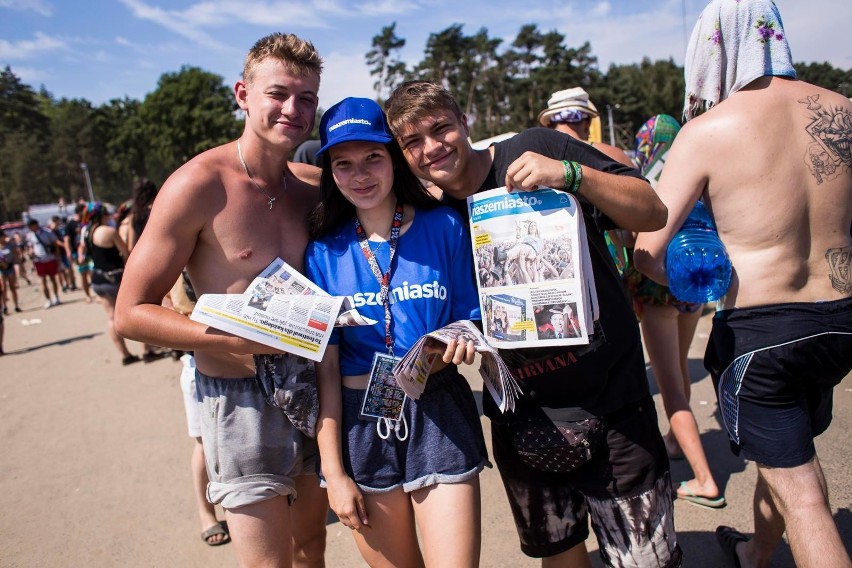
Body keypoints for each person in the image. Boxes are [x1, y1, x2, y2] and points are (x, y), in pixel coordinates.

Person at [386, 81, 678, 568]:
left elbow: (653, 210)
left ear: (464, 123)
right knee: (560, 557)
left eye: (440, 129)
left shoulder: (535, 148)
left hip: (614, 403)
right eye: (413, 142)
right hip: (525, 417)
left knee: (647, 561)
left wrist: (570, 174)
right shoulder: (432, 215)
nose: (431, 147)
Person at [632, 1, 852, 567]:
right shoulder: (844, 111)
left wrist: (702, 287)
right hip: (841, 319)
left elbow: (649, 251)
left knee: (803, 497)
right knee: (786, 457)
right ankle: (756, 552)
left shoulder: (707, 131)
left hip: (765, 330)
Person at [114, 32, 328, 568]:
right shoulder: (198, 184)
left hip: (312, 388)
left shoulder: (314, 188)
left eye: (306, 98)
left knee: (312, 548)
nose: (293, 109)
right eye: (278, 93)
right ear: (243, 94)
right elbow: (131, 312)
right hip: (238, 399)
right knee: (268, 562)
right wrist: (234, 338)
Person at [305, 97, 487, 568]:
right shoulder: (322, 253)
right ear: (330, 173)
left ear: (393, 159)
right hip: (359, 421)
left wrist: (464, 338)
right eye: (343, 165)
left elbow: (472, 314)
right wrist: (332, 470)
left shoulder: (444, 225)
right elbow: (323, 365)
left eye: (372, 158)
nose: (360, 175)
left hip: (439, 407)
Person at [627, 114, 724, 509]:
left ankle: (705, 480)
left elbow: (640, 249)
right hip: (694, 288)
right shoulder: (696, 175)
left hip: (657, 294)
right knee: (680, 367)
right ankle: (674, 440)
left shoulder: (649, 185)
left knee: (671, 388)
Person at [166, 270, 230, 546]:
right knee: (205, 445)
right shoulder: (177, 257)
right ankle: (207, 514)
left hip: (248, 367)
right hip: (199, 365)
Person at [80, 202, 140, 366]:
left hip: (97, 278)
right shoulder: (109, 231)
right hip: (114, 278)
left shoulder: (86, 232)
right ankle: (147, 349)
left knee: (111, 318)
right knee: (137, 310)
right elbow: (126, 253)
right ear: (102, 215)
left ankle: (125, 354)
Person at [537, 87, 635, 168]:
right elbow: (644, 188)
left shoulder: (537, 158)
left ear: (549, 125)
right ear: (588, 124)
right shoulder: (614, 155)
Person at [127, 178, 168, 363]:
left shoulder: (133, 216)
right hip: (163, 261)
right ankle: (174, 346)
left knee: (145, 307)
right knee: (167, 305)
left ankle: (146, 349)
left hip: (142, 263)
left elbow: (131, 245)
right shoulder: (157, 210)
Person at [25, 219, 62, 309]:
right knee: (43, 281)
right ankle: (48, 300)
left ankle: (56, 297)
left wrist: (57, 257)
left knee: (53, 278)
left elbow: (55, 244)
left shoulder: (47, 232)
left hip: (50, 258)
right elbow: (30, 247)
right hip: (38, 260)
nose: (31, 228)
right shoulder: (29, 235)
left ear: (36, 225)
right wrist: (30, 252)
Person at [0, 230, 23, 313]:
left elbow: (16, 255)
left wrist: (18, 265)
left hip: (10, 267)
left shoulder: (9, 245)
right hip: (1, 269)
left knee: (12, 287)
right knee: (3, 289)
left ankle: (16, 305)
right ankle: (4, 306)